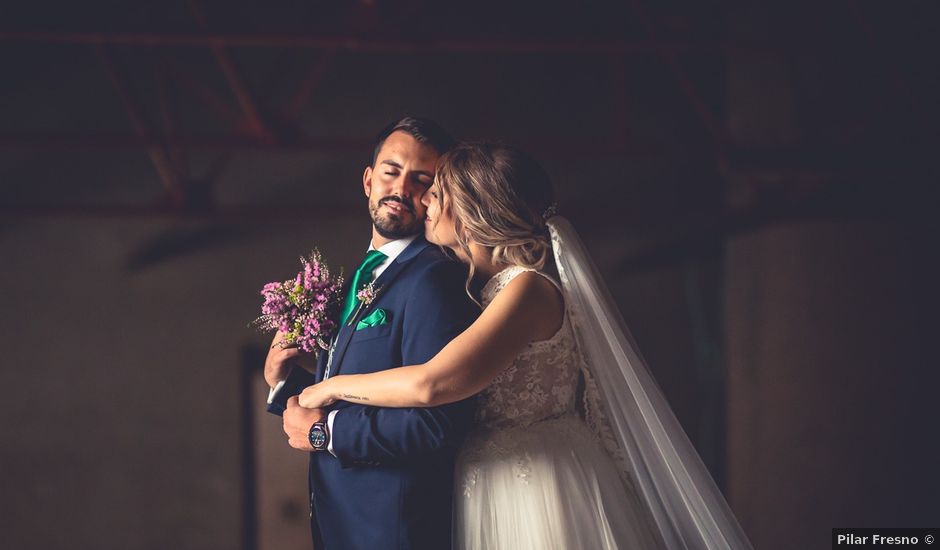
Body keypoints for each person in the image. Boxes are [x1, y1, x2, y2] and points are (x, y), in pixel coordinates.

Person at [299, 143, 755, 549]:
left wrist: (330, 388)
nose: (426, 203)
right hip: (482, 486)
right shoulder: (479, 292)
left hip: (537, 485)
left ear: (473, 209)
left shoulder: (527, 290)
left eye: (437, 193)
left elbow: (433, 383)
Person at [264, 117, 480, 549]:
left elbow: (437, 422)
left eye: (422, 179)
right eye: (391, 171)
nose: (402, 188)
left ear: (438, 197)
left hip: (394, 528)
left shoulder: (433, 280)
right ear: (368, 180)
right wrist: (281, 380)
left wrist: (326, 433)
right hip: (342, 522)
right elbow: (353, 392)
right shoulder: (354, 281)